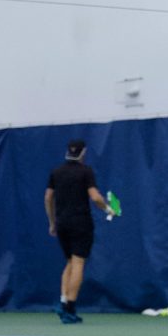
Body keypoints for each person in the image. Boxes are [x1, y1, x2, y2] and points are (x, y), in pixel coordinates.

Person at [44, 139, 110, 324]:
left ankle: (63, 302)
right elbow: (96, 197)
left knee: (70, 262)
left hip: (62, 223)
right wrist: (107, 209)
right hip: (81, 223)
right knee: (79, 262)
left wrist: (52, 222)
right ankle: (70, 308)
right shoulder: (85, 171)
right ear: (83, 153)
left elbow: (48, 197)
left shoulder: (56, 172)